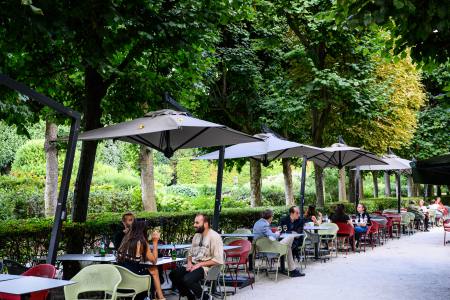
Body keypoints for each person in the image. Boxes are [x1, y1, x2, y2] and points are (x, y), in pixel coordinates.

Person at [169, 214, 223, 300]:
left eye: (197, 223)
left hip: (207, 267)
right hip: (194, 264)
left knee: (187, 279)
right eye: (194, 222)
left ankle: (206, 298)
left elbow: (218, 260)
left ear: (205, 224)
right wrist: (189, 262)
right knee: (173, 274)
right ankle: (190, 296)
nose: (194, 225)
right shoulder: (196, 235)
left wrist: (200, 264)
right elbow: (190, 253)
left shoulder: (215, 237)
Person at [117, 220, 165, 300]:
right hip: (134, 280)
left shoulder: (125, 239)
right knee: (154, 269)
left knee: (151, 269)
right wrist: (155, 242)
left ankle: (159, 297)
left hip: (121, 280)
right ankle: (161, 297)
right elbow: (154, 260)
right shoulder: (141, 241)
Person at [253, 209, 304, 277]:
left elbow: (268, 235)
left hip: (261, 249)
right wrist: (277, 233)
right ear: (270, 217)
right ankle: (292, 270)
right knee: (291, 237)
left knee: (287, 247)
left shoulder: (257, 223)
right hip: (270, 250)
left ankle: (293, 270)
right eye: (272, 217)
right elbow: (273, 236)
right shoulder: (264, 225)